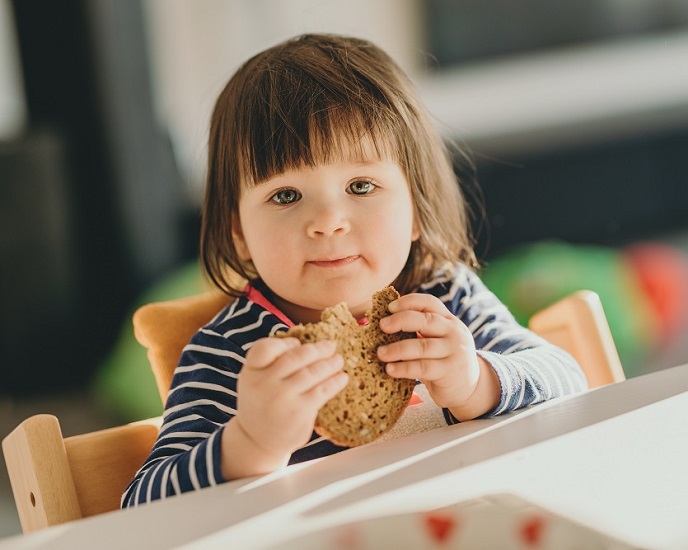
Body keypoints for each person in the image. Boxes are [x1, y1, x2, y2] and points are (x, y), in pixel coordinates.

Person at [122, 33, 587, 507]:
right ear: (238, 232)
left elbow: (568, 378)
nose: (327, 222)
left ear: (417, 209)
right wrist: (250, 444)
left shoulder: (446, 298)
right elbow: (141, 505)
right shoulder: (228, 353)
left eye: (361, 185)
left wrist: (476, 382)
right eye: (286, 196)